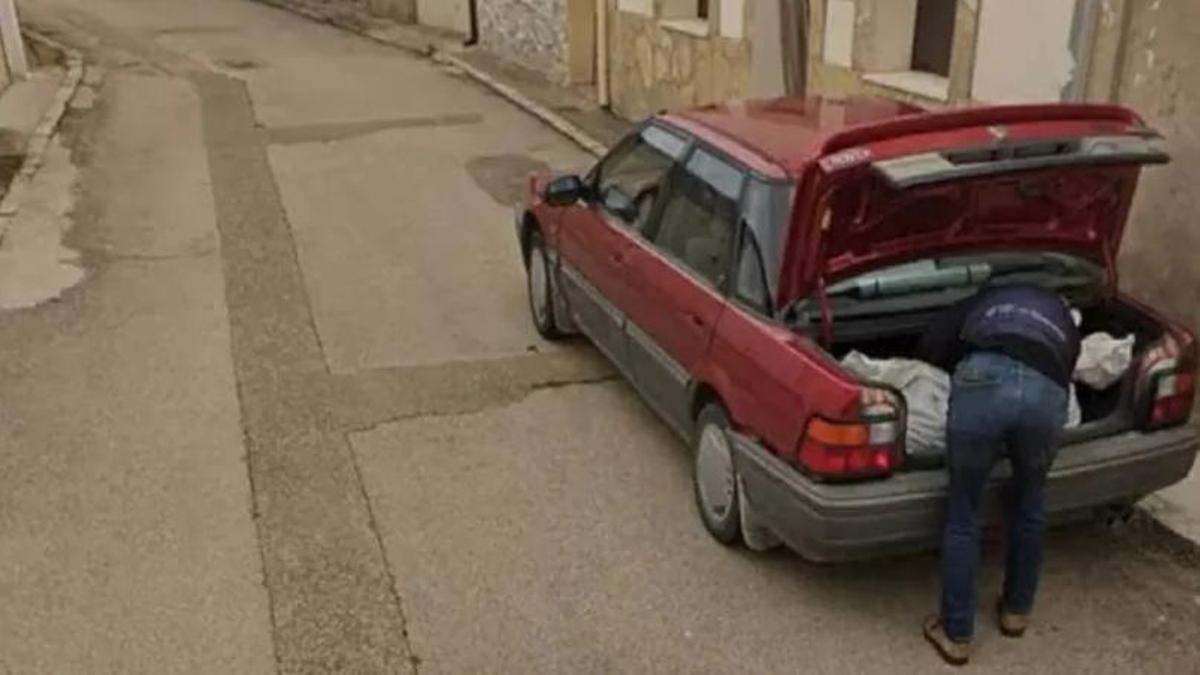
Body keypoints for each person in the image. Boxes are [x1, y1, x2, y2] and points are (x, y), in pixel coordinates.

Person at [916, 283, 1081, 666]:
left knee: (964, 510)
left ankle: (956, 633)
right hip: (1045, 391)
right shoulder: (1061, 314)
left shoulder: (984, 299)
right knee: (1031, 499)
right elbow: (1067, 365)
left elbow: (934, 340)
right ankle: (1015, 612)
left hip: (983, 379)